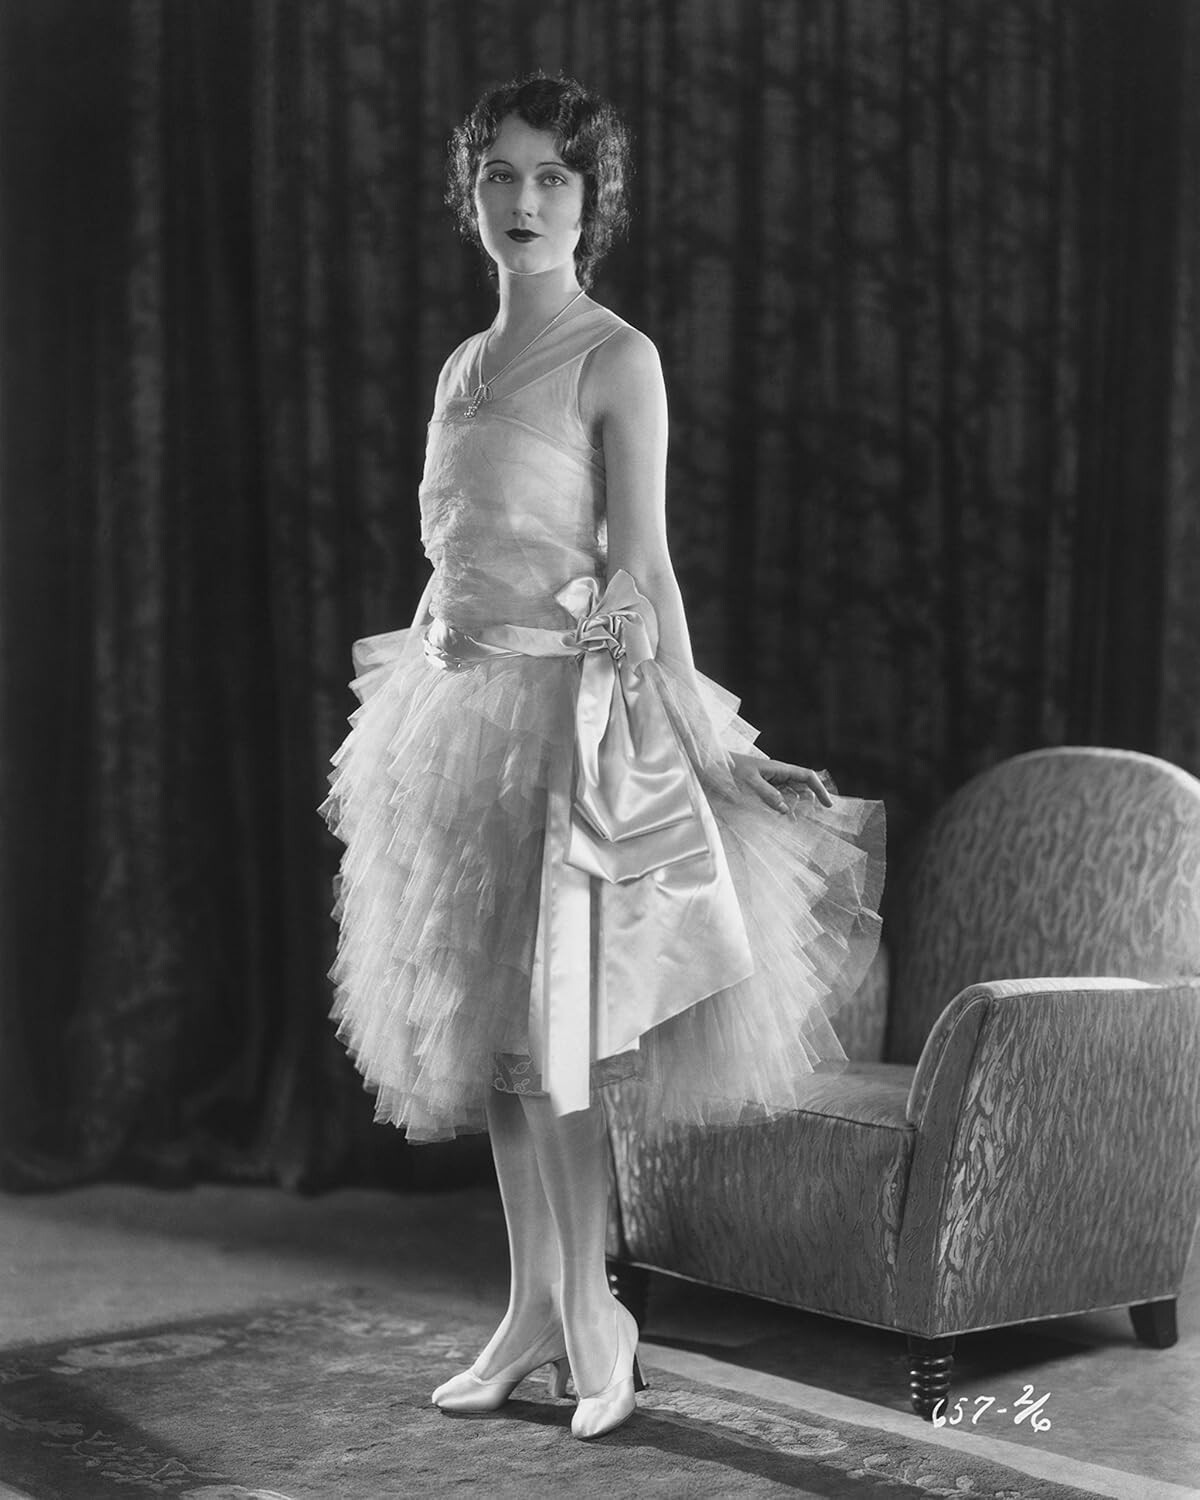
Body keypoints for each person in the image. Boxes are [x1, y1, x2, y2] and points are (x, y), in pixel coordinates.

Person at [320, 72, 884, 1442]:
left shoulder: (615, 356)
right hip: (459, 723)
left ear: (592, 201)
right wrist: (426, 691)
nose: (524, 201)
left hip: (571, 735)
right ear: (470, 194)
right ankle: (529, 1311)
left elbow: (643, 570)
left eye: (552, 178)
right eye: (501, 175)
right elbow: (459, 551)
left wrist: (714, 750)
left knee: (561, 1051)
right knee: (503, 1056)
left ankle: (596, 1319)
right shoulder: (464, 367)